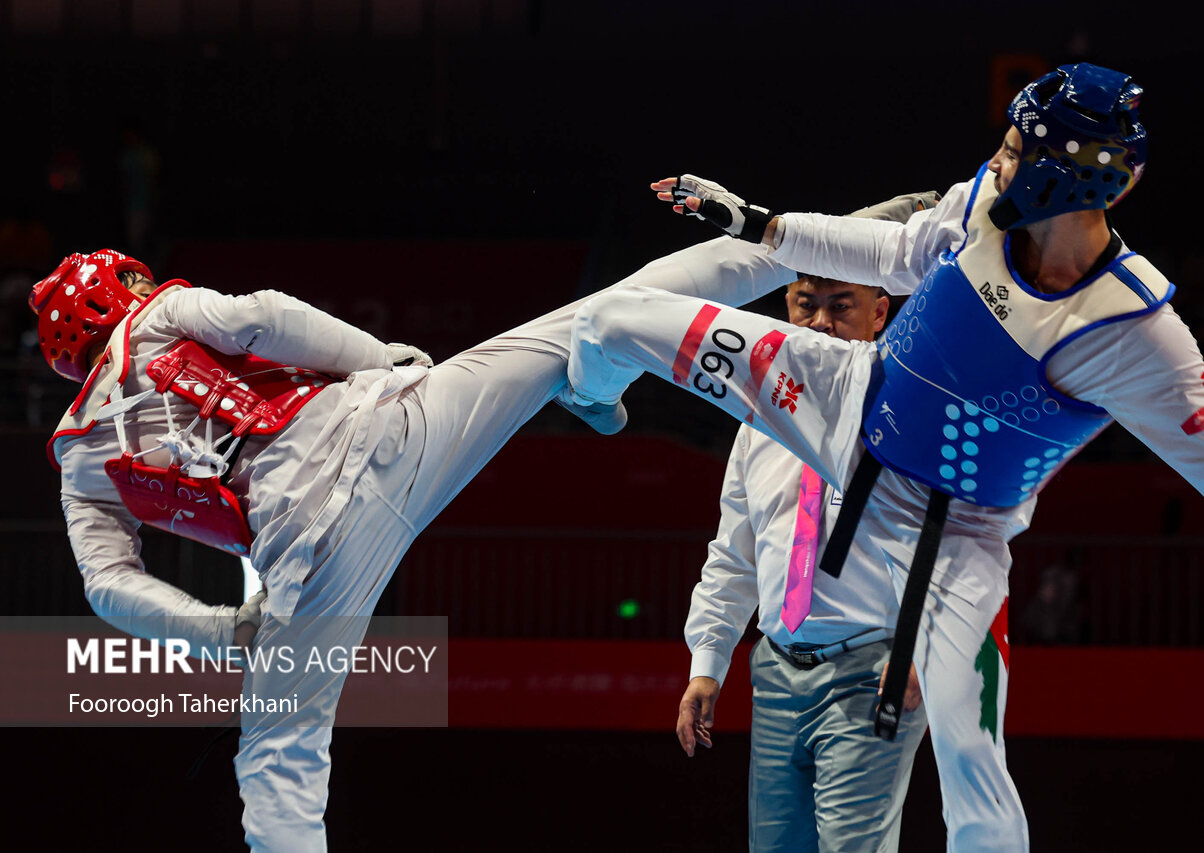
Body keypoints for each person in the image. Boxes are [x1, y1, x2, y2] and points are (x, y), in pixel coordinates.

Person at [565, 62, 1204, 851]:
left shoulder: (1135, 331)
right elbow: (896, 248)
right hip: (845, 397)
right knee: (616, 318)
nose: (996, 163)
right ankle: (594, 395)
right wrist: (760, 223)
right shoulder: (981, 207)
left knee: (971, 752)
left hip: (952, 533)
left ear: (1071, 176)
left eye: (1014, 151)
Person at [30, 238, 804, 851]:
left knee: (276, 759)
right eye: (128, 285)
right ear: (110, 297)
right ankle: (802, 248)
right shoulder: (158, 314)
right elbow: (262, 313)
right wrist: (380, 357)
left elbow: (106, 584)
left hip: (311, 559)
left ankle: (588, 386)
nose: (141, 288)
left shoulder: (78, 460)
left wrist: (224, 632)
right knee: (598, 313)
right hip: (389, 432)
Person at [677, 257, 933, 852]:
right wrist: (707, 664)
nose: (819, 323)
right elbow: (733, 557)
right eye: (804, 304)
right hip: (774, 670)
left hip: (875, 668)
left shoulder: (911, 416)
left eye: (840, 305)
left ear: (878, 314)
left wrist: (924, 647)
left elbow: (948, 544)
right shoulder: (758, 423)